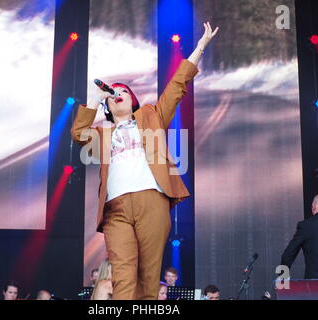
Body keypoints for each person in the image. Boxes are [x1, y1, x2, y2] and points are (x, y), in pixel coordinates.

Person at [72, 22, 219, 300]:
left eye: (123, 91)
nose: (117, 94)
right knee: (123, 276)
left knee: (149, 278)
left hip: (151, 201)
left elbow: (177, 86)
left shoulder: (151, 115)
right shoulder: (103, 134)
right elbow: (79, 134)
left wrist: (200, 47)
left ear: (133, 99)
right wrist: (94, 99)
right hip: (115, 209)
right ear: (108, 106)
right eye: (112, 94)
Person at [281, 194, 318, 279]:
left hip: (314, 285)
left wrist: (282, 279)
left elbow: (287, 256)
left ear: (313, 208)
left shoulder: (305, 226)